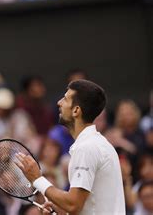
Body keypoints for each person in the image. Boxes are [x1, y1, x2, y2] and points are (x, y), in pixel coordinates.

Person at [15, 79, 125, 214]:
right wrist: (62, 211)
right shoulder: (98, 144)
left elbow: (73, 204)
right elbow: (84, 206)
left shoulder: (86, 147)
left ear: (76, 111)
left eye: (65, 99)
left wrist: (37, 179)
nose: (59, 103)